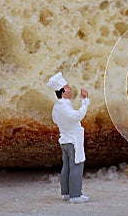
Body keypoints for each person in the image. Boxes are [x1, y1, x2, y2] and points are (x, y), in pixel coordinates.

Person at [47, 72, 90, 203]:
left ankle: (65, 193)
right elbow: (76, 116)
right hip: (73, 141)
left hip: (64, 140)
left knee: (66, 167)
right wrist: (85, 101)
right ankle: (76, 195)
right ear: (64, 91)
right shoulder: (65, 106)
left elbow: (55, 120)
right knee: (76, 166)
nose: (71, 90)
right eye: (69, 87)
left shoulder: (57, 107)